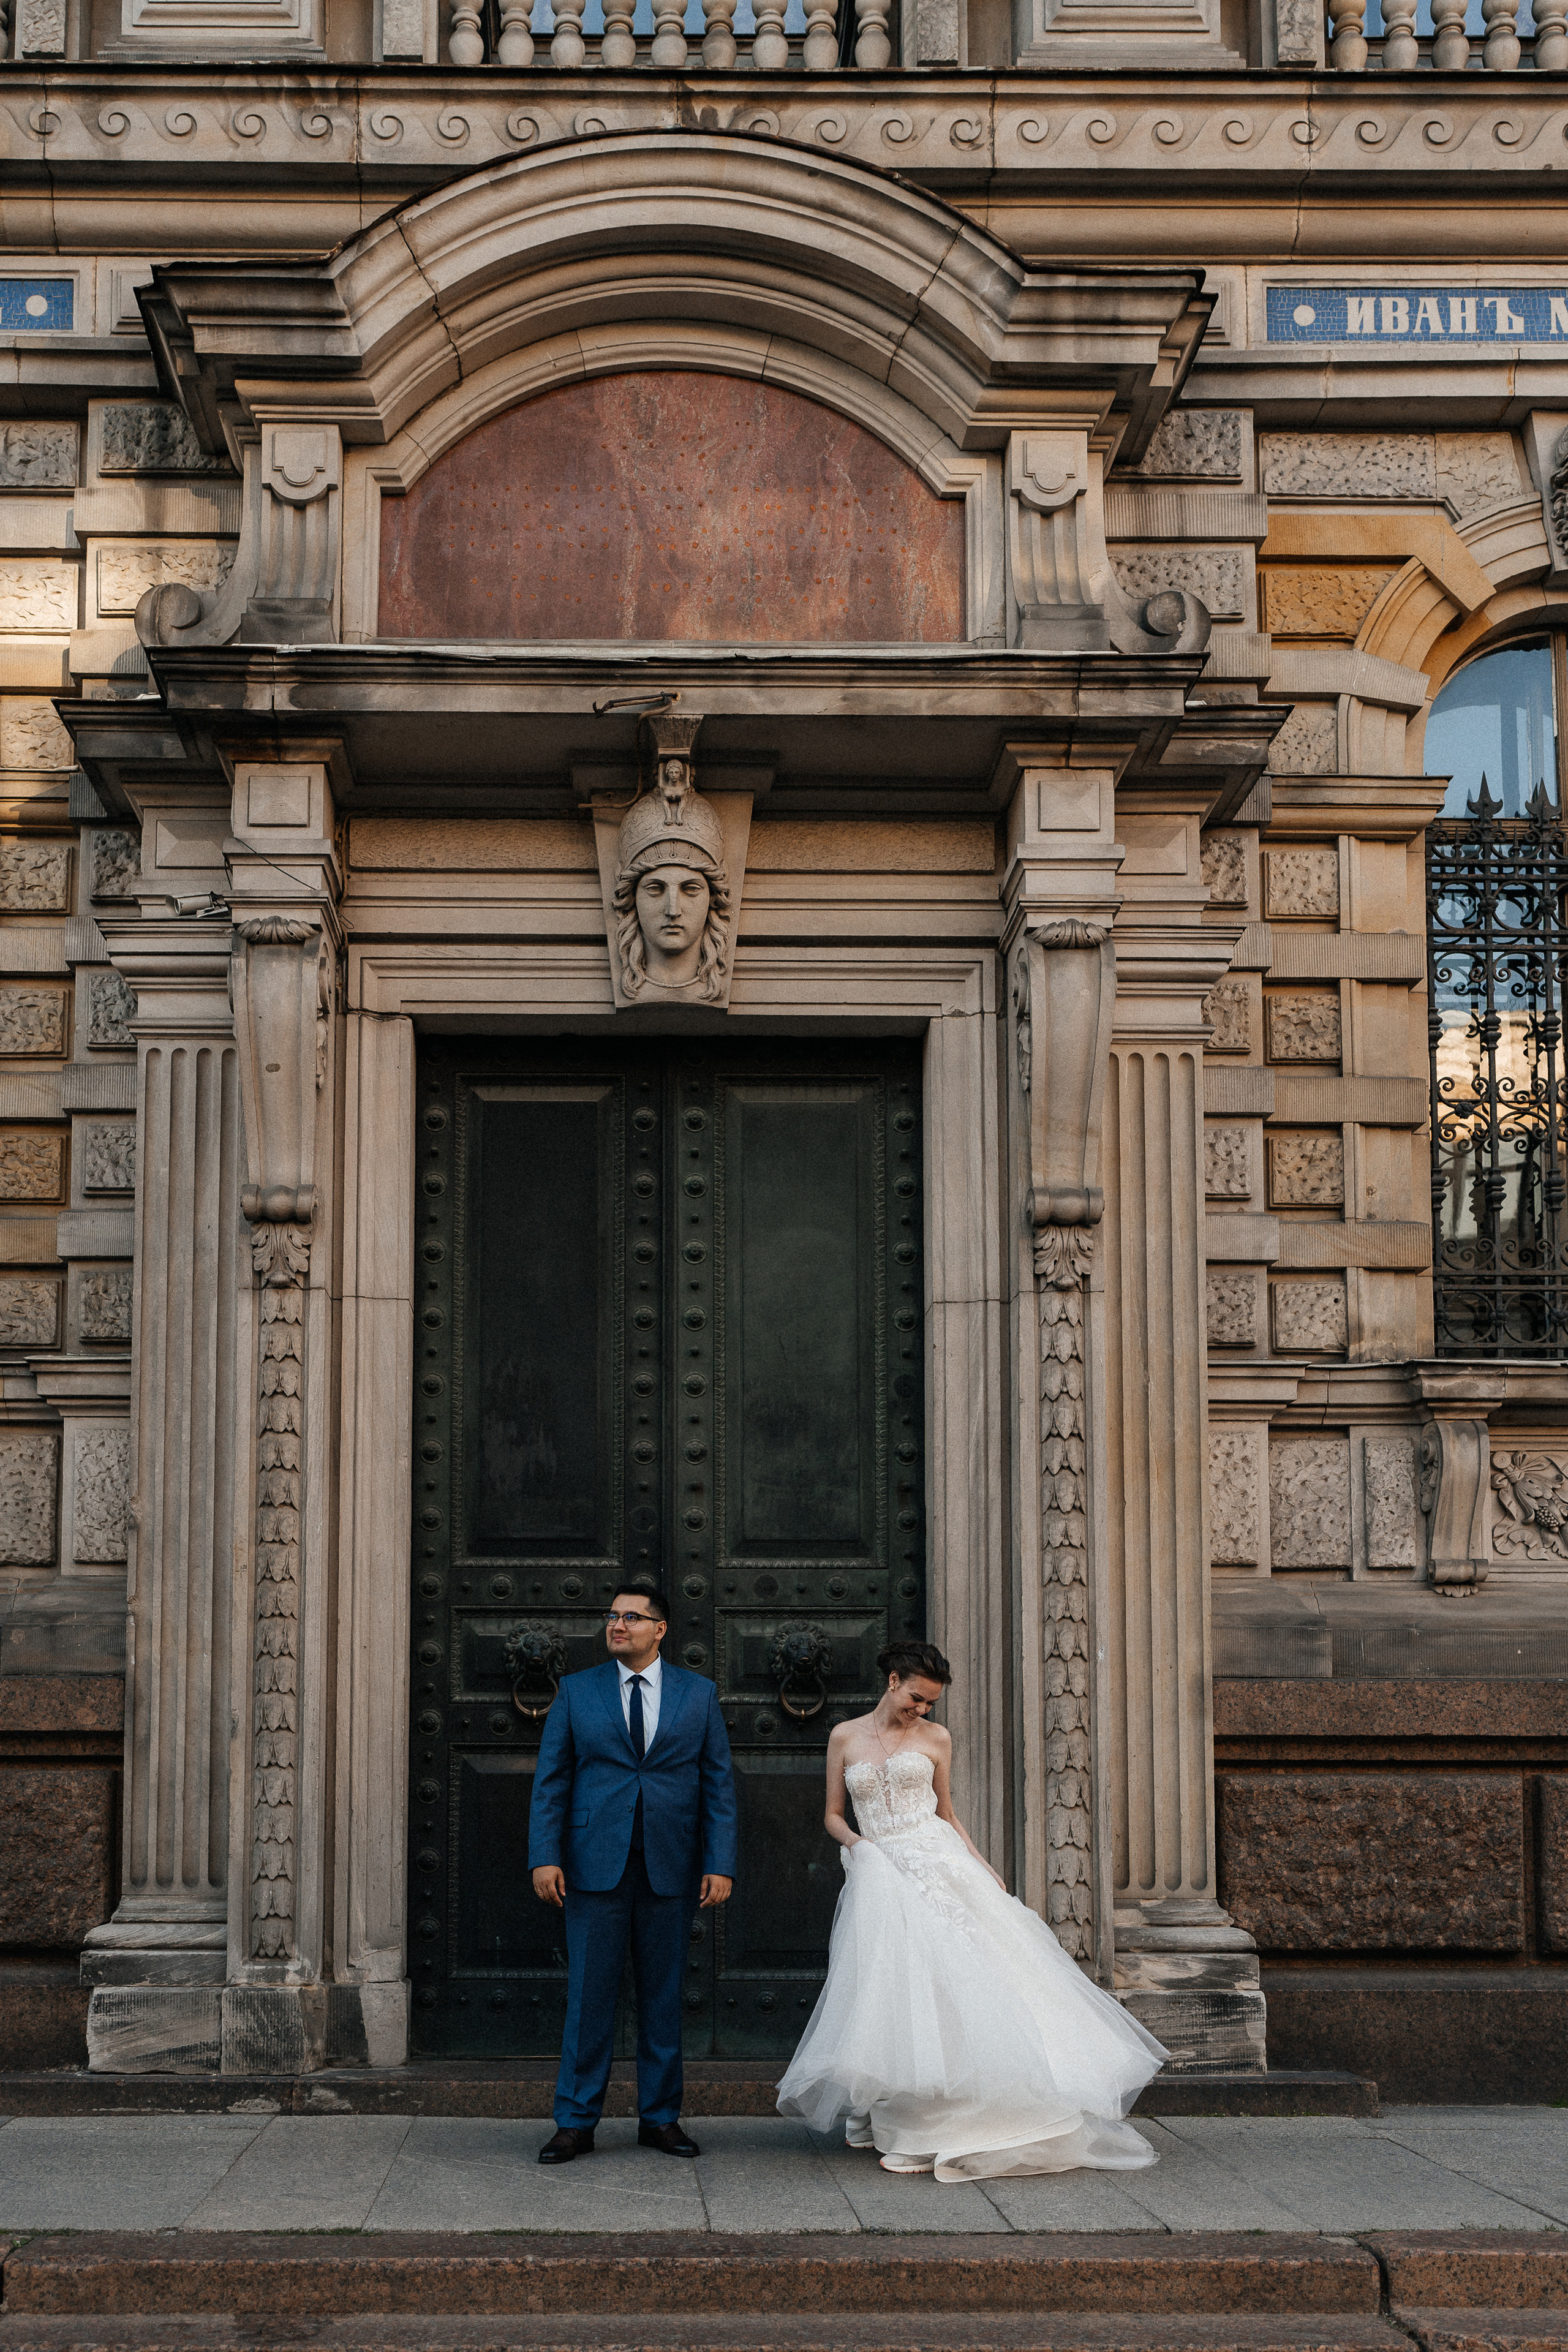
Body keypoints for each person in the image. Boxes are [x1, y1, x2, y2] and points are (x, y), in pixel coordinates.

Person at [777, 1638, 1166, 2180]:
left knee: (964, 1976)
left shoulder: (937, 1738)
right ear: (893, 1683)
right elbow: (834, 1816)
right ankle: (892, 2110)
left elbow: (948, 1813)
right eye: (917, 1698)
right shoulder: (845, 1736)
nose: (923, 1710)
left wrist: (980, 1865)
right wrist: (859, 1848)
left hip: (938, 1862)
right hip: (878, 1869)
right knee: (894, 1986)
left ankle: (943, 2117)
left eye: (930, 1703)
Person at [529, 1579, 738, 2163]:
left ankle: (661, 2119)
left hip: (671, 1867)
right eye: (612, 1616)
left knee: (663, 1998)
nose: (617, 1625)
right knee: (588, 1997)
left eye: (631, 1618)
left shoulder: (698, 1695)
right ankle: (575, 2122)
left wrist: (720, 1862)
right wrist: (545, 1855)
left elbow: (719, 1785)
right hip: (593, 1866)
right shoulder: (577, 1691)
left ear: (660, 1629)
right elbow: (552, 1781)